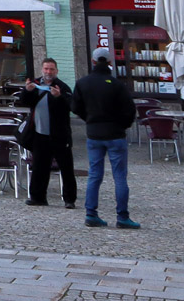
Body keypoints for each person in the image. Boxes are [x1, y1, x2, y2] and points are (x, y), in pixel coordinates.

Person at [72, 46, 140, 229]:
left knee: (94, 175)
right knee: (119, 177)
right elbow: (130, 110)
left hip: (94, 134)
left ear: (93, 61)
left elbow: (75, 106)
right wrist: (122, 125)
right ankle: (122, 216)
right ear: (110, 62)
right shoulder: (117, 85)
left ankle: (91, 213)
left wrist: (89, 119)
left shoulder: (83, 83)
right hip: (115, 134)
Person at [19, 58, 77, 209]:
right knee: (39, 167)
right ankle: (37, 197)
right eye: (46, 69)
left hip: (59, 135)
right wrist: (27, 91)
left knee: (66, 168)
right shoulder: (35, 84)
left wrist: (58, 97)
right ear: (42, 69)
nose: (48, 72)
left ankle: (69, 199)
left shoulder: (63, 87)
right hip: (39, 133)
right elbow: (23, 102)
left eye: (51, 69)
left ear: (56, 71)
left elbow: (70, 106)